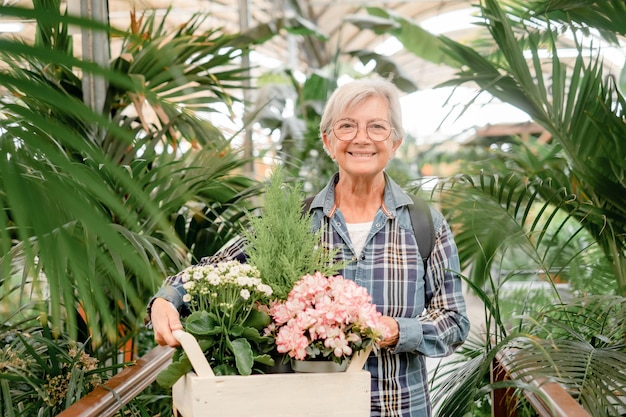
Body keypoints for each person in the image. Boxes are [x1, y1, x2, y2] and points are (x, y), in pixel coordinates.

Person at [149, 77, 470, 417]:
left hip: (398, 408)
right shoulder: (293, 221)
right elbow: (214, 269)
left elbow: (454, 321)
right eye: (347, 126)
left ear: (396, 141)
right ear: (328, 140)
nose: (361, 138)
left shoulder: (424, 224)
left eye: (377, 126)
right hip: (307, 408)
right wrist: (166, 300)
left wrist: (396, 331)